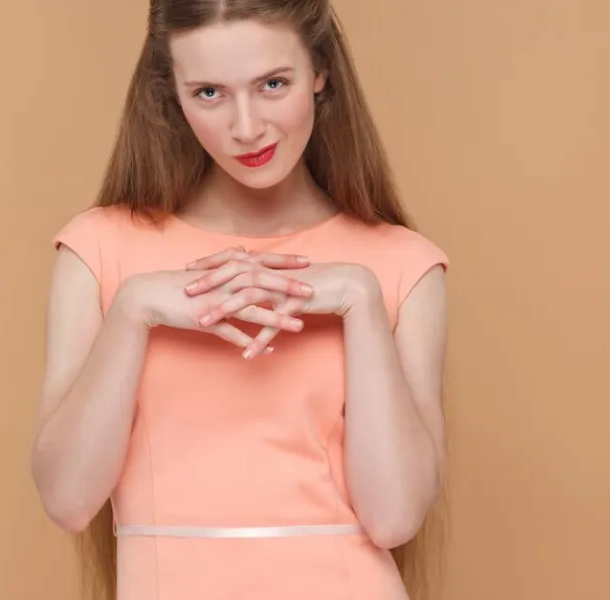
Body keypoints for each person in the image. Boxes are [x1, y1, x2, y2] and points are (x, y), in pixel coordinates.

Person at [30, 1, 449, 598]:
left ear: (321, 72)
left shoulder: (403, 265)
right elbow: (68, 500)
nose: (247, 126)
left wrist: (359, 300)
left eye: (273, 84)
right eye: (209, 93)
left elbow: (395, 518)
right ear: (170, 93)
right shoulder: (99, 251)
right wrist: (134, 309)